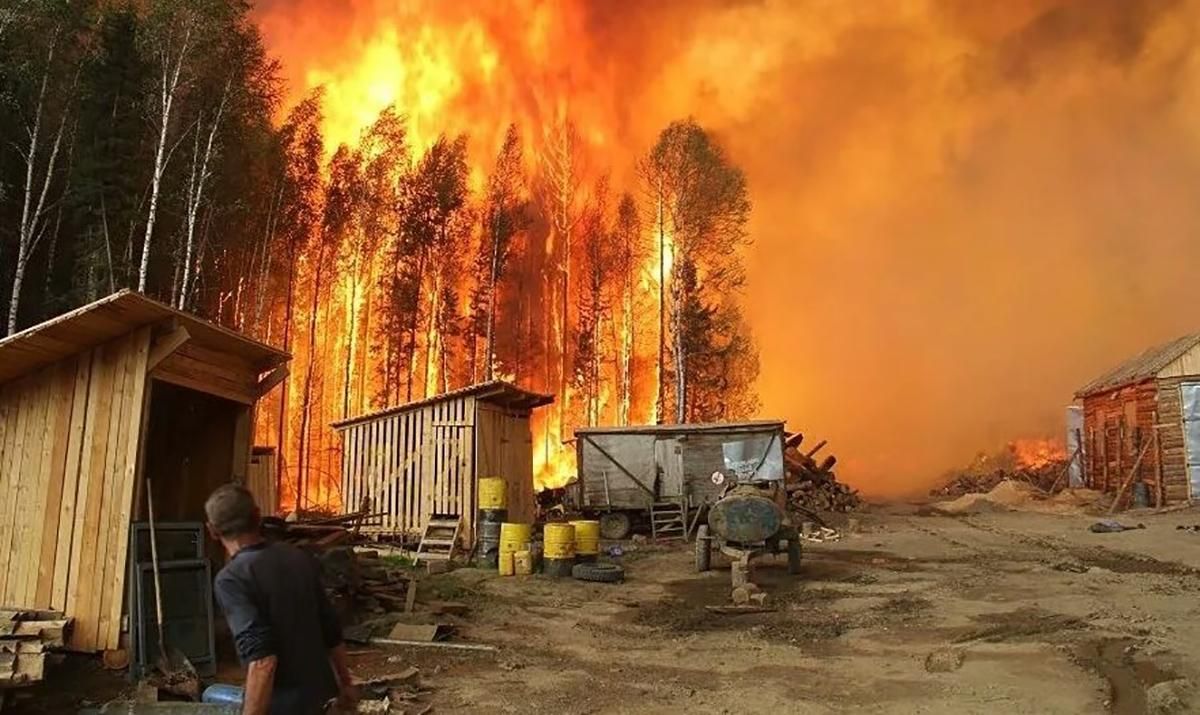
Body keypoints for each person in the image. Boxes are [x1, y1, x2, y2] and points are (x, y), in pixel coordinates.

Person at [205, 484, 359, 715]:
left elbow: (262, 661)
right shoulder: (296, 557)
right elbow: (330, 628)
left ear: (212, 530)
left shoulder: (232, 579)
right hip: (324, 701)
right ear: (258, 517)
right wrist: (346, 684)